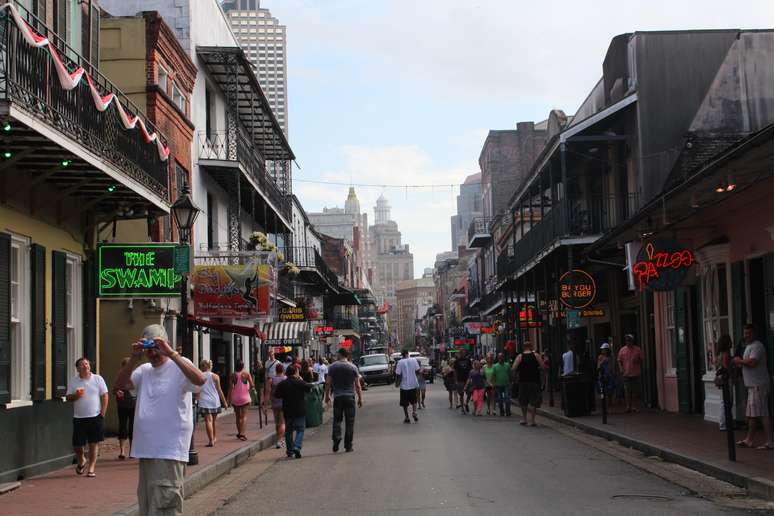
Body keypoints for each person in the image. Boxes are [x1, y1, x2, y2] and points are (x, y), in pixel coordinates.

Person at [114, 324, 205, 516]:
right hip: (146, 450)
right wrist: (133, 358)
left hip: (169, 450)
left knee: (165, 505)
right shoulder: (144, 370)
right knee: (148, 506)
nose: (153, 353)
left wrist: (172, 354)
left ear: (167, 344)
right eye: (149, 349)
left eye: (157, 347)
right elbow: (120, 385)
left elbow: (200, 380)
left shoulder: (179, 364)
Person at [66, 357, 108, 477]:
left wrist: (102, 414)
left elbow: (105, 396)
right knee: (78, 445)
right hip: (79, 417)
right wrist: (76, 396)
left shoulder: (98, 379)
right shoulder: (74, 381)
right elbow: (68, 398)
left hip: (95, 416)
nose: (86, 366)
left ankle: (91, 468)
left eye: (87, 364)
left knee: (93, 443)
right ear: (78, 368)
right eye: (82, 364)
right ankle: (81, 460)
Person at [733, 324, 774, 449]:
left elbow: (752, 362)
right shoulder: (748, 347)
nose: (747, 335)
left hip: (758, 385)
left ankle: (770, 441)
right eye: (745, 333)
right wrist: (739, 364)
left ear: (754, 334)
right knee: (752, 415)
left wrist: (739, 361)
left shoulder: (757, 346)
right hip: (752, 385)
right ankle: (749, 440)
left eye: (749, 333)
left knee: (762, 414)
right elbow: (746, 364)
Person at [325, 347, 363, 452]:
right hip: (350, 397)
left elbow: (328, 382)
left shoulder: (332, 367)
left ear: (340, 354)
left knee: (337, 420)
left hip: (338, 397)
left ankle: (336, 438)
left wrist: (327, 396)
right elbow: (358, 385)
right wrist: (360, 398)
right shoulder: (353, 367)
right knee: (350, 422)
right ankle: (348, 445)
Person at [273, 365, 316, 458]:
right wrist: (300, 379)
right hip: (300, 410)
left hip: (288, 410)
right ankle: (297, 446)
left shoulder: (282, 384)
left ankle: (289, 451)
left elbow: (277, 395)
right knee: (300, 430)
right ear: (295, 373)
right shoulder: (300, 382)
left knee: (288, 432)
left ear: (286, 373)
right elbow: (310, 387)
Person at [513, 341, 546, 426]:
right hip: (534, 380)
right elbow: (543, 366)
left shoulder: (520, 356)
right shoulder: (536, 355)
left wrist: (516, 376)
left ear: (524, 347)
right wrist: (538, 369)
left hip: (523, 381)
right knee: (534, 400)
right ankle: (532, 420)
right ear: (531, 346)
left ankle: (524, 419)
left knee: (523, 400)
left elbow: (513, 368)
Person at [198, 359, 228, 447]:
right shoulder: (215, 376)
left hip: (204, 400)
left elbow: (197, 389)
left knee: (208, 420)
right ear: (210, 366)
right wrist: (224, 402)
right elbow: (219, 390)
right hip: (214, 400)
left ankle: (211, 440)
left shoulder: (199, 376)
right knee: (214, 421)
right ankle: (214, 437)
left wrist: (197, 398)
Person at [114, 357, 136, 460]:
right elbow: (114, 389)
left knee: (133, 428)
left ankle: (132, 451)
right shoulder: (120, 376)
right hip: (122, 405)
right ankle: (122, 451)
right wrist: (117, 392)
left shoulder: (136, 376)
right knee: (122, 427)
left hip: (134, 405)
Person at [229, 361, 254, 441]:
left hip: (236, 398)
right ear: (243, 367)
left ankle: (239, 432)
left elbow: (230, 388)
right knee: (244, 416)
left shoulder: (233, 375)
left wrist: (228, 399)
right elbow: (252, 385)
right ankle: (242, 433)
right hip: (245, 397)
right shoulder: (246, 374)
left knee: (238, 416)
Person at [617, 334, 643, 413]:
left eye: (629, 340)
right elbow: (619, 360)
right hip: (626, 373)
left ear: (632, 341)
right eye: (627, 340)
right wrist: (620, 368)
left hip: (635, 373)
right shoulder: (622, 350)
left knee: (635, 391)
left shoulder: (637, 349)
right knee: (627, 390)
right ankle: (628, 406)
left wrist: (637, 361)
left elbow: (641, 359)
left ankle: (634, 406)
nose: (628, 342)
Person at [395, 349, 421, 423]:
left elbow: (398, 374)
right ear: (408, 354)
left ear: (402, 355)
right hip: (413, 384)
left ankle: (407, 417)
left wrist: (397, 383)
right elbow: (418, 371)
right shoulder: (414, 360)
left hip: (404, 386)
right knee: (414, 400)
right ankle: (414, 412)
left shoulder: (400, 362)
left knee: (404, 403)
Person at [715, 335, 733, 432]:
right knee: (727, 401)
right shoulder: (725, 354)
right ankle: (724, 424)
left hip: (721, 379)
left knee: (724, 401)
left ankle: (724, 422)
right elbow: (726, 367)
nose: (731, 343)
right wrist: (732, 374)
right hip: (726, 379)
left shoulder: (719, 354)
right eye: (730, 341)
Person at [269, 363, 287, 449]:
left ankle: (279, 439)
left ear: (276, 370)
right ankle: (280, 440)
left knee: (277, 422)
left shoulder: (272, 379)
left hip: (275, 402)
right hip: (284, 402)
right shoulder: (285, 379)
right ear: (283, 370)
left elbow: (268, 392)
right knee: (282, 422)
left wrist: (265, 404)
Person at [453, 349, 473, 414]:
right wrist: (456, 380)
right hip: (460, 379)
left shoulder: (468, 360)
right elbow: (455, 371)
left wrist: (470, 377)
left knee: (470, 392)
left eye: (463, 353)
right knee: (461, 394)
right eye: (461, 353)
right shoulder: (457, 361)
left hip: (467, 379)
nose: (462, 354)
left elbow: (470, 369)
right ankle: (462, 408)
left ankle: (466, 403)